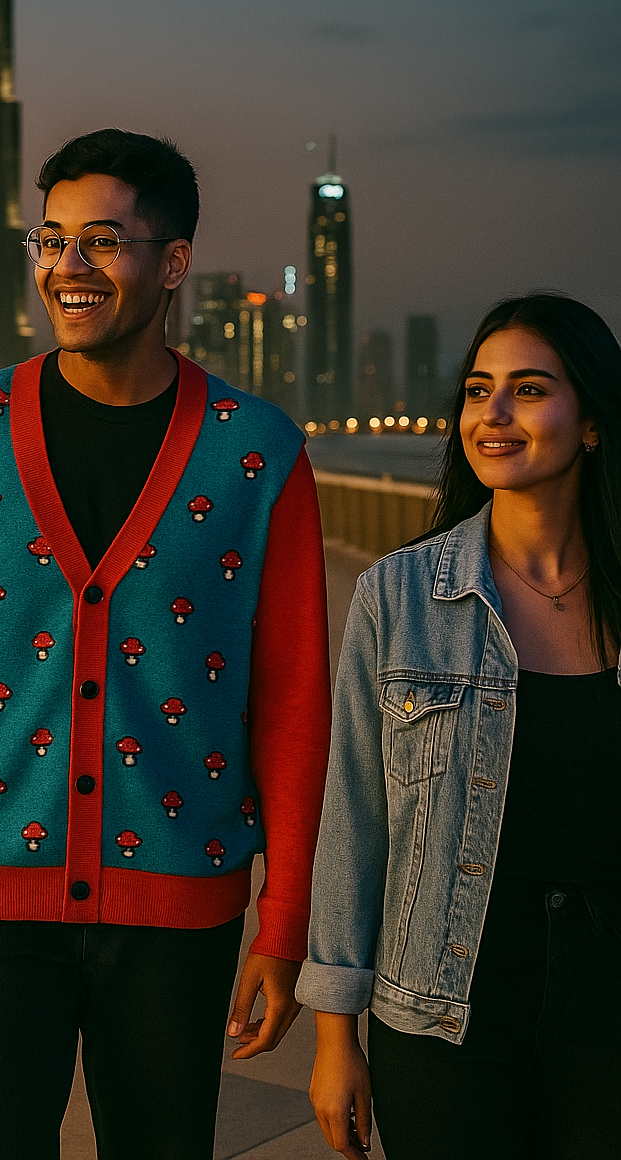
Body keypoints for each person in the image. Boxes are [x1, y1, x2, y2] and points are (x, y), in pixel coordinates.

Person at [0, 129, 332, 1159]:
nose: (68, 266)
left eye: (103, 241)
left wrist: (285, 922)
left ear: (173, 262)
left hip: (182, 915)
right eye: (52, 238)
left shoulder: (257, 456)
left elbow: (293, 702)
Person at [297, 292, 621, 1160]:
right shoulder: (399, 596)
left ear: (593, 421)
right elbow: (354, 821)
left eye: (529, 390)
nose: (494, 414)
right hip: (445, 1012)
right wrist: (335, 1037)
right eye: (479, 391)